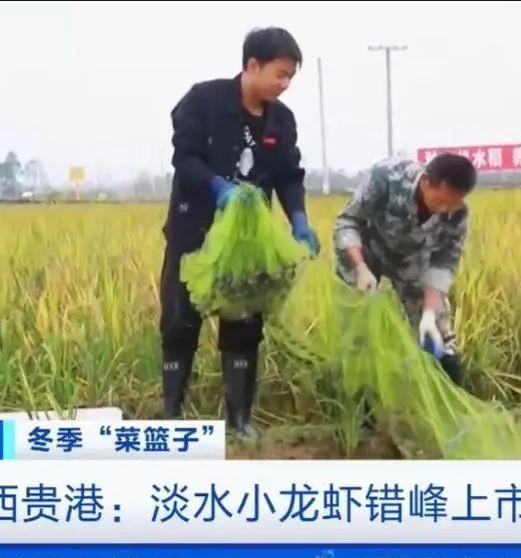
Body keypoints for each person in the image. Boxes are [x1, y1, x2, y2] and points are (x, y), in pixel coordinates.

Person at [160, 27, 320, 438]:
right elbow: (185, 158)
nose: (285, 84)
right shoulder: (204, 100)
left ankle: (240, 421)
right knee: (180, 321)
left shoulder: (281, 120)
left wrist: (298, 219)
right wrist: (218, 188)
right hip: (195, 229)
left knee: (245, 325)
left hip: (250, 242)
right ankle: (172, 415)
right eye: (280, 74)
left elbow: (288, 175)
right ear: (252, 65)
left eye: (290, 77)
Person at [332, 153, 477, 393]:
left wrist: (428, 314)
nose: (444, 209)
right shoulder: (387, 178)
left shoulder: (457, 214)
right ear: (426, 182)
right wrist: (360, 268)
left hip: (411, 257)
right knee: (356, 327)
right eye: (439, 202)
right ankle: (358, 399)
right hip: (365, 248)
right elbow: (347, 222)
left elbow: (442, 266)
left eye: (452, 203)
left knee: (438, 335)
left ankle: (441, 395)